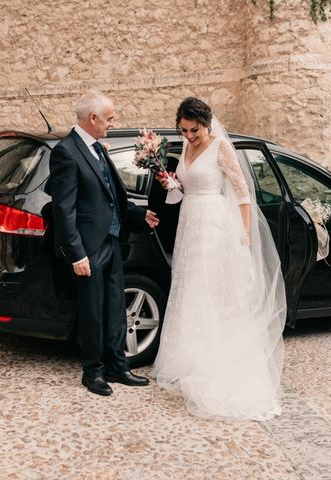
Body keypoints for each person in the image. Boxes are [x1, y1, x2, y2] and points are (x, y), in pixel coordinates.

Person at [151, 97, 287, 420]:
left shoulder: (221, 147)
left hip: (213, 224)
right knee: (190, 289)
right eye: (183, 131)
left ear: (206, 123)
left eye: (194, 130)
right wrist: (172, 184)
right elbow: (186, 186)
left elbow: (242, 192)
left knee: (211, 292)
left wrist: (244, 233)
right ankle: (189, 358)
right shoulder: (184, 148)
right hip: (189, 222)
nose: (189, 136)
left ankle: (212, 363)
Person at [50, 91, 159, 396]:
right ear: (93, 118)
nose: (113, 123)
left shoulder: (98, 148)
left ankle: (117, 365)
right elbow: (64, 209)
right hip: (87, 247)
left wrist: (140, 216)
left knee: (114, 308)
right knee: (92, 311)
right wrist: (77, 254)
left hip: (111, 241)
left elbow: (111, 196)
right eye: (110, 118)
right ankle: (93, 372)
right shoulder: (66, 152)